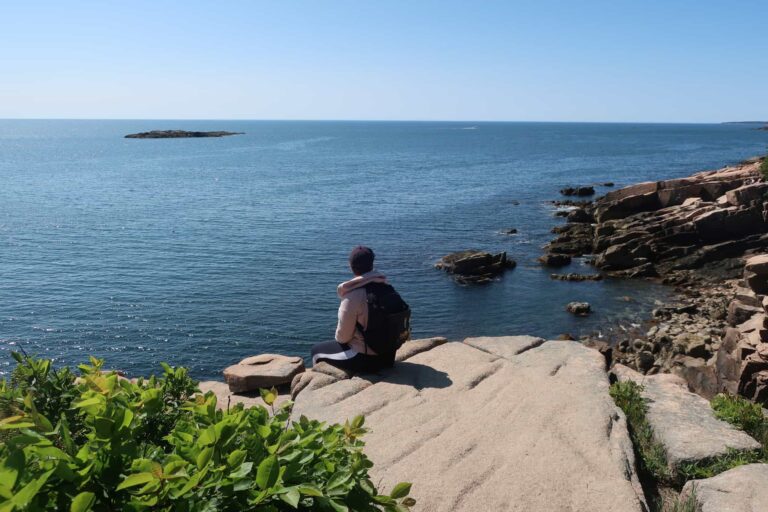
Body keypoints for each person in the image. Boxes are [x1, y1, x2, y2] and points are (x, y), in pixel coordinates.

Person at [311, 246, 407, 372]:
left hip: (365, 359)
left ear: (351, 266)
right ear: (372, 264)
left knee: (316, 351)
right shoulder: (387, 287)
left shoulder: (352, 296)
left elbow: (342, 338)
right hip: (388, 355)